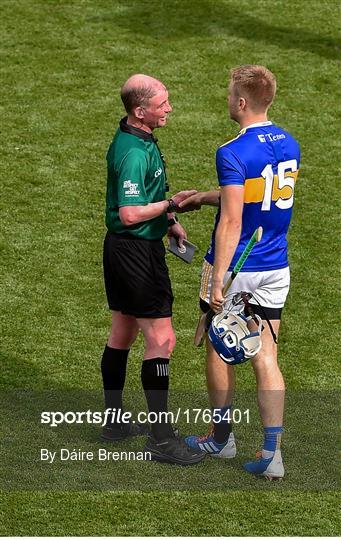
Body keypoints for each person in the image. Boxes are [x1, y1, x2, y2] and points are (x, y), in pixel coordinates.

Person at [180, 65, 300, 479]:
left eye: (230, 94)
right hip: (275, 267)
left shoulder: (231, 151)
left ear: (242, 102)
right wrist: (202, 198)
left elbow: (233, 222)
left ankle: (221, 438)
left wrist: (218, 280)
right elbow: (255, 195)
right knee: (266, 355)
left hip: (238, 269)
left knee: (218, 345)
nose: (228, 100)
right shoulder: (290, 143)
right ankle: (272, 453)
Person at [101, 73, 205, 466]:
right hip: (136, 254)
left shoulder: (136, 137)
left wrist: (167, 223)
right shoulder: (133, 152)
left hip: (122, 250)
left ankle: (113, 424)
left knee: (122, 332)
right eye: (163, 103)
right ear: (140, 111)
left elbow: (140, 198)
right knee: (163, 342)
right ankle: (162, 440)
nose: (170, 108)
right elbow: (130, 213)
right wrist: (170, 207)